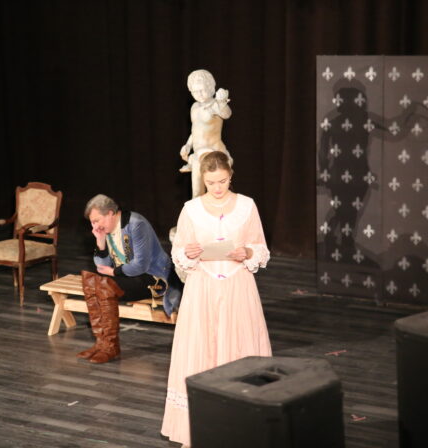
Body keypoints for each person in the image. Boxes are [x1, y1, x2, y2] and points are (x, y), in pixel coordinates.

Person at [161, 151, 272, 447]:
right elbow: (178, 251)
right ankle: (201, 428)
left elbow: (260, 248)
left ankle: (242, 425)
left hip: (237, 286)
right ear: (203, 180)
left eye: (222, 181)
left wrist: (247, 252)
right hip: (203, 288)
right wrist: (188, 252)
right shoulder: (191, 209)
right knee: (202, 349)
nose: (217, 187)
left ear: (230, 176)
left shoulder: (247, 206)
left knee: (239, 346)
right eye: (211, 183)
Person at [78, 194, 182, 364]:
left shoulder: (136, 224)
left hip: (154, 278)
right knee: (89, 281)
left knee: (103, 286)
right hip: (127, 276)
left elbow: (140, 266)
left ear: (110, 213)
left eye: (97, 221)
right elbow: (101, 266)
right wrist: (100, 241)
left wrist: (114, 272)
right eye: (92, 222)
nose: (95, 226)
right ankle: (102, 343)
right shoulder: (107, 229)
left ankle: (110, 347)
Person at [179, 69, 233, 197]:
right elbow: (196, 130)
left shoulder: (215, 105)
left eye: (201, 90)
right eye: (195, 91)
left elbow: (226, 114)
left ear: (210, 86)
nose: (199, 94)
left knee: (215, 193)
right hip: (199, 154)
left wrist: (222, 101)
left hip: (214, 153)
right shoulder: (194, 107)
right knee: (197, 194)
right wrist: (188, 145)